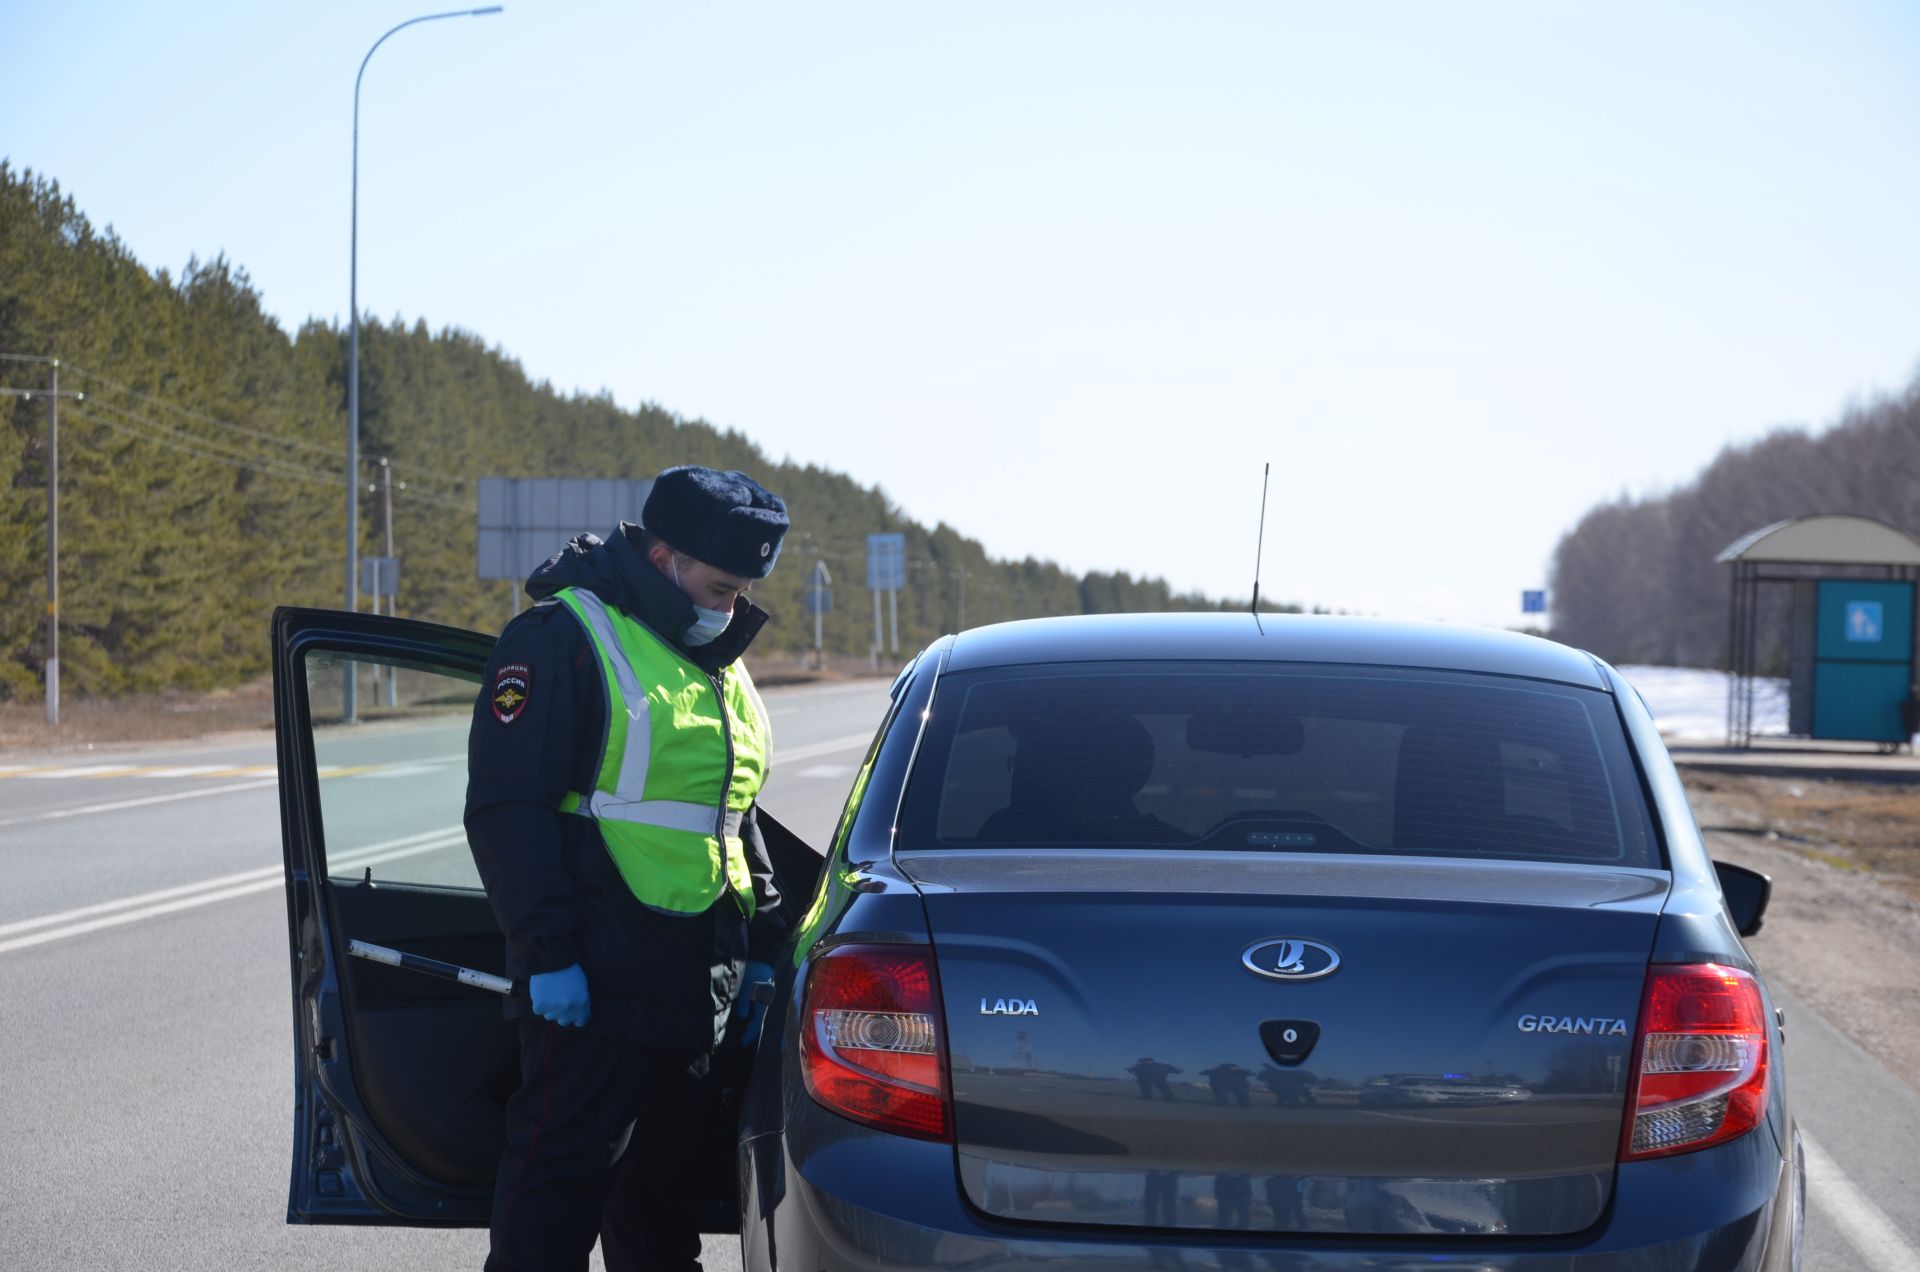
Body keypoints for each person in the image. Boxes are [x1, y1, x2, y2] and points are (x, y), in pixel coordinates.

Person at [464, 465, 792, 1272]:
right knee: (557, 1190)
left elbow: (733, 812)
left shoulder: (717, 660)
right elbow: (510, 811)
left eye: (743, 592)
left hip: (693, 987)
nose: (731, 608)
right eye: (719, 587)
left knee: (660, 1205)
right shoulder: (564, 638)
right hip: (594, 982)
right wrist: (548, 956)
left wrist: (762, 947)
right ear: (660, 559)